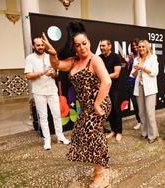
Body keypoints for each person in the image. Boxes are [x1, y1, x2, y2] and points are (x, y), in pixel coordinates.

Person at [41, 22, 112, 188]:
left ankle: (99, 175)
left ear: (90, 42)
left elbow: (107, 82)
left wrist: (96, 104)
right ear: (74, 47)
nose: (82, 48)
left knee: (94, 135)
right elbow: (57, 65)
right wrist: (52, 53)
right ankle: (99, 166)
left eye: (84, 43)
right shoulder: (74, 61)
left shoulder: (95, 60)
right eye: (77, 45)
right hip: (86, 106)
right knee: (81, 134)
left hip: (99, 104)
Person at [24, 37, 70, 150]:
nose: (40, 47)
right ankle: (47, 140)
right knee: (43, 117)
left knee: (57, 115)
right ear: (33, 46)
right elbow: (27, 75)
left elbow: (57, 74)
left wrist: (53, 74)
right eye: (38, 45)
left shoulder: (50, 57)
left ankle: (60, 137)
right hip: (39, 92)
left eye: (42, 45)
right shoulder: (30, 58)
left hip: (52, 90)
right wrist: (42, 72)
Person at [130, 40, 159, 143]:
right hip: (139, 88)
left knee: (150, 113)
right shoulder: (136, 59)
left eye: (143, 46)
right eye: (140, 47)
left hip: (150, 89)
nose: (141, 48)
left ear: (147, 48)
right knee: (141, 112)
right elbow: (132, 75)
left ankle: (153, 135)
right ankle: (144, 132)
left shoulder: (153, 58)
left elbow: (155, 72)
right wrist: (137, 69)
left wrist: (143, 67)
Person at [99, 39, 123, 142]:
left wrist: (104, 76)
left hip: (114, 88)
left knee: (116, 109)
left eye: (104, 46)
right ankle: (113, 130)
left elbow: (116, 74)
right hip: (103, 88)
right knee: (109, 110)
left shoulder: (116, 57)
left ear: (110, 46)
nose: (101, 48)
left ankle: (119, 132)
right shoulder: (99, 58)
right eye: (101, 46)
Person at [125, 38, 142, 130]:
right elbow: (128, 70)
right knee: (135, 103)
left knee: (141, 103)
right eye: (133, 46)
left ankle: (144, 121)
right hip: (131, 81)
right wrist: (128, 62)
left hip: (141, 82)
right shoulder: (131, 55)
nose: (135, 47)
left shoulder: (143, 55)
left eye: (136, 45)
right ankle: (139, 121)